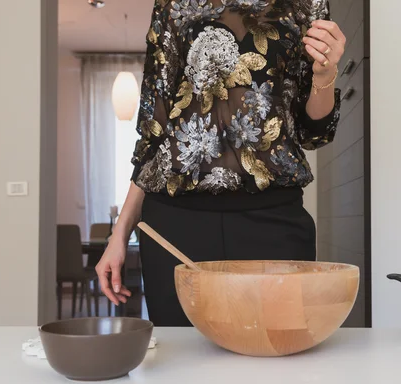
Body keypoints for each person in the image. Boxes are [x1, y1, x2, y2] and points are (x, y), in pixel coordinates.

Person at [95, 0, 346, 326]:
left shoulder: (306, 5)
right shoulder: (171, 5)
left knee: (277, 363)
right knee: (181, 367)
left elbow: (314, 132)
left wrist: (325, 74)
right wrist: (119, 234)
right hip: (173, 225)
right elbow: (153, 132)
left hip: (273, 220)